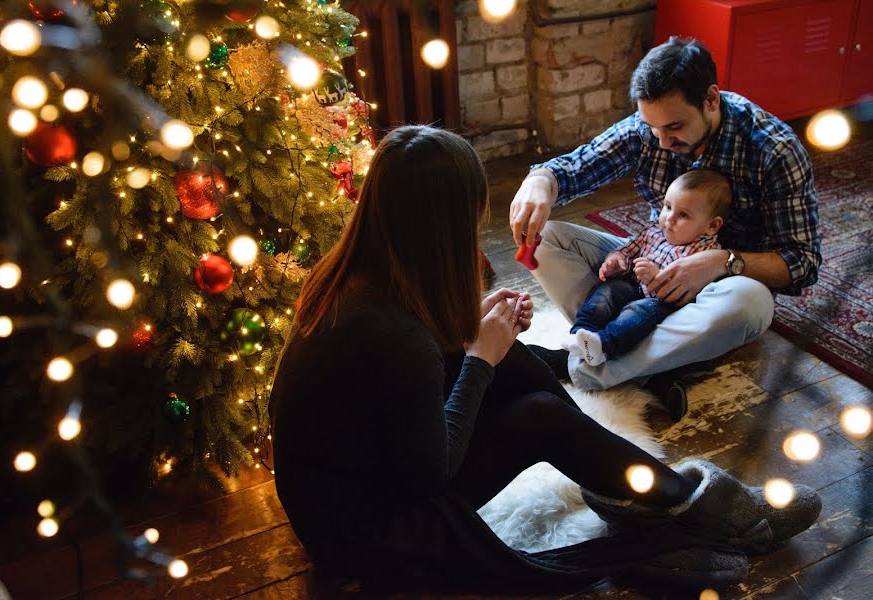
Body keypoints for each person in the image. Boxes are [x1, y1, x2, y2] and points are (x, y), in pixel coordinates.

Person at [270, 125, 820, 591]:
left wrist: (477, 338)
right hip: (368, 536)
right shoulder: (389, 332)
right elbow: (427, 475)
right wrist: (479, 358)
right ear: (442, 227)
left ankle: (630, 489)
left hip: (359, 482)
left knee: (513, 364)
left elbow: (396, 384)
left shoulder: (361, 276)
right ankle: (678, 503)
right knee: (536, 411)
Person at [510, 37, 821, 401]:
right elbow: (575, 167)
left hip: (722, 290)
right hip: (647, 271)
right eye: (652, 127)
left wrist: (722, 262)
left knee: (751, 304)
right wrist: (540, 181)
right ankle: (638, 357)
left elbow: (802, 262)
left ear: (711, 99)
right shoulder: (651, 129)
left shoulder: (773, 149)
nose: (661, 141)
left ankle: (586, 366)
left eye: (673, 127)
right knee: (545, 237)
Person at [565, 169, 731, 419]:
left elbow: (683, 293)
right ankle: (581, 334)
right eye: (667, 206)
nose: (669, 219)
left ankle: (605, 346)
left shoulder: (705, 251)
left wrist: (655, 276)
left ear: (711, 226)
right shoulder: (655, 230)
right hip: (633, 285)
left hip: (662, 304)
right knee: (607, 291)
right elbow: (628, 249)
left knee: (638, 312)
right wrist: (616, 259)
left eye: (683, 215)